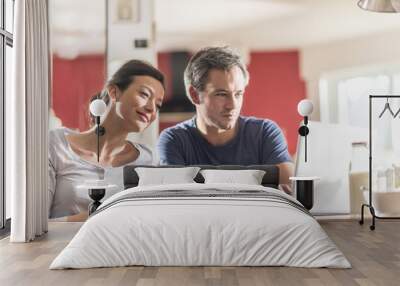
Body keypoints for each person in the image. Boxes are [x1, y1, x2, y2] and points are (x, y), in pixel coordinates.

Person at [157, 47, 294, 185]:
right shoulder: (174, 140)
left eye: (238, 94)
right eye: (221, 94)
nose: (233, 105)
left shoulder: (265, 132)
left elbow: (289, 190)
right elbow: (177, 201)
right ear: (195, 95)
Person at [49, 60, 165, 220]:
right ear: (114, 92)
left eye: (158, 105)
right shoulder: (56, 144)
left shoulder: (150, 160)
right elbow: (34, 225)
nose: (152, 108)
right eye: (144, 94)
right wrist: (104, 216)